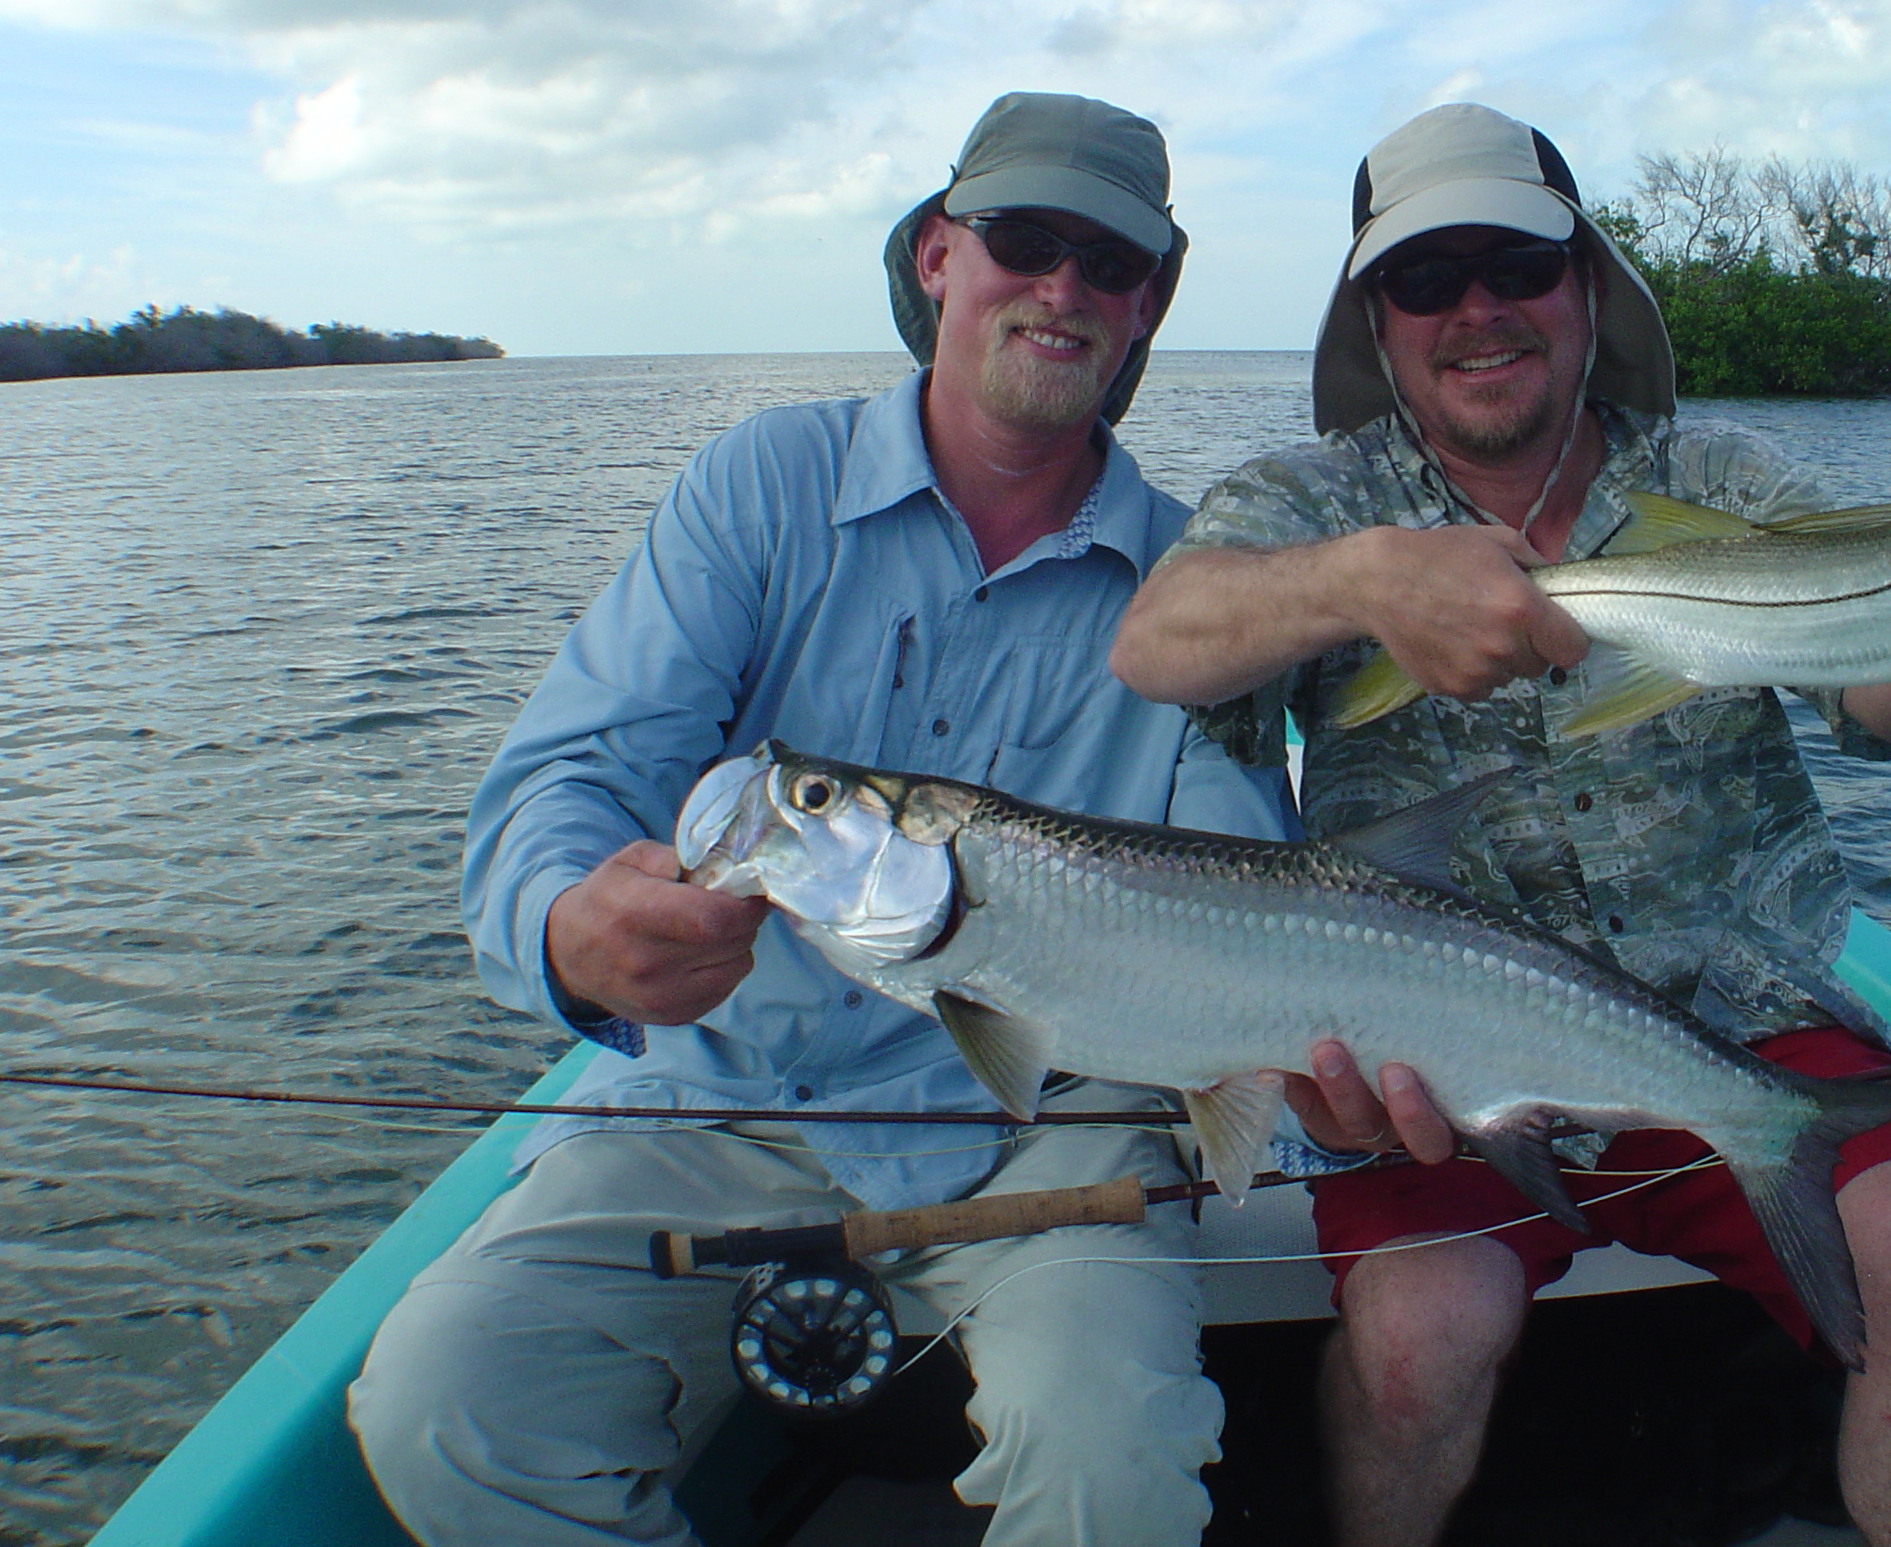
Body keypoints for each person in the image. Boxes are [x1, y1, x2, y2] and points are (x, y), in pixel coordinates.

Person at [1109, 102, 1891, 1547]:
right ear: (1377, 315)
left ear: (1586, 288)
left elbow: (1871, 696)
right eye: (1428, 280)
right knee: (1421, 1334)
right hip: (1434, 1043)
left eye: (1517, 266)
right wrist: (1363, 581)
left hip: (1743, 1013)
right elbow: (1160, 642)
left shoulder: (1723, 484)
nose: (1478, 310)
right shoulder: (1313, 498)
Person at [350, 92, 1295, 1547]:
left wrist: (1297, 1062)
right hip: (714, 1093)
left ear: (1148, 304)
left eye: (1110, 266)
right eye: (1025, 241)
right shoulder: (759, 486)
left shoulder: (1204, 582)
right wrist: (568, 928)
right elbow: (577, 774)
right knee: (447, 1401)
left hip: (1053, 1132)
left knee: (1107, 1466)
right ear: (936, 256)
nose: (1063, 290)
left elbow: (1249, 889)